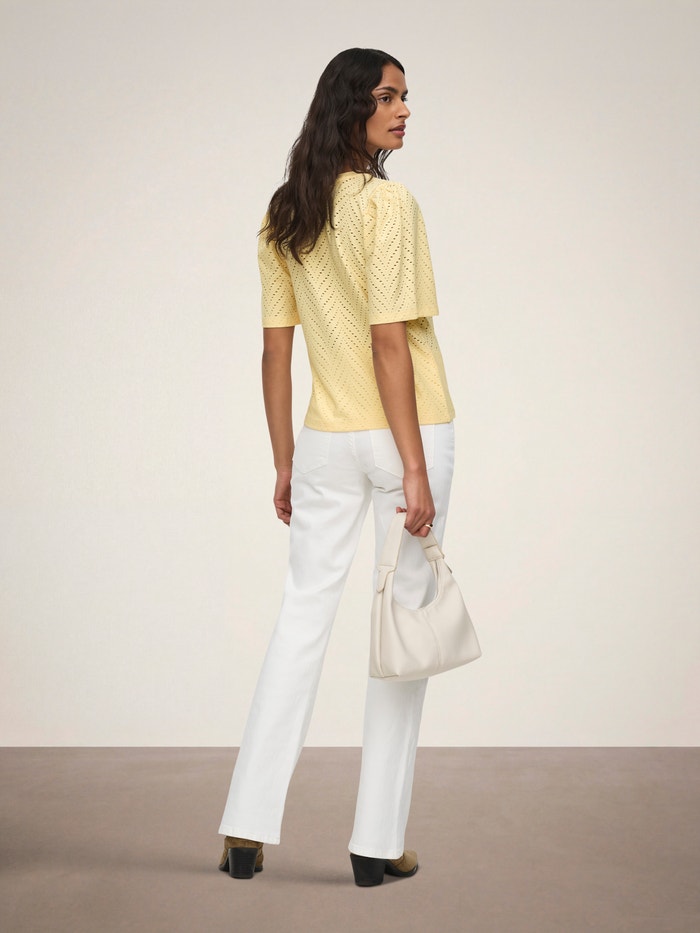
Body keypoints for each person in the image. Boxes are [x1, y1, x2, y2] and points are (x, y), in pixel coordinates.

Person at [218, 47, 456, 888]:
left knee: (301, 617)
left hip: (323, 437)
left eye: (405, 97)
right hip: (405, 430)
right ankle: (376, 840)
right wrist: (414, 468)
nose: (404, 110)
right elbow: (390, 342)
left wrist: (284, 461)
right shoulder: (389, 205)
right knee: (403, 627)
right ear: (351, 105)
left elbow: (274, 352)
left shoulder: (285, 213)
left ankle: (245, 827)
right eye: (388, 96)